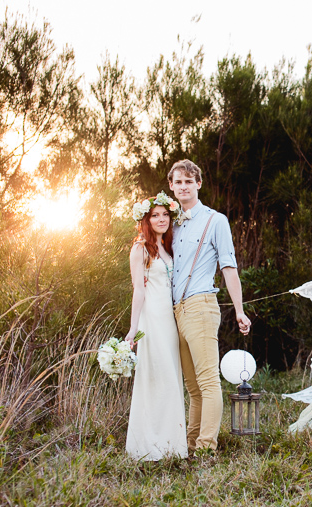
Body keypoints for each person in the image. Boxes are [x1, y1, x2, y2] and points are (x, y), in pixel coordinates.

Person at [169, 159, 251, 453]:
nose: (184, 187)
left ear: (199, 184)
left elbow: (229, 267)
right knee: (193, 389)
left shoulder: (215, 221)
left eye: (189, 181)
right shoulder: (170, 223)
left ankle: (206, 448)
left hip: (201, 306)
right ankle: (190, 445)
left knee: (208, 382)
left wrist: (239, 310)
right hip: (175, 312)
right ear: (171, 186)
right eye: (178, 182)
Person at [124, 193, 188, 461]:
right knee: (155, 378)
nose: (162, 219)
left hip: (170, 320)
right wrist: (132, 329)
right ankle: (146, 446)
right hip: (151, 320)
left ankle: (173, 445)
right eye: (155, 215)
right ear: (146, 220)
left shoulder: (168, 247)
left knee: (172, 378)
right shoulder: (140, 249)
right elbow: (138, 290)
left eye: (165, 215)